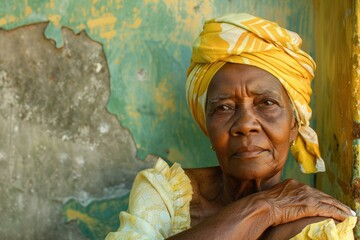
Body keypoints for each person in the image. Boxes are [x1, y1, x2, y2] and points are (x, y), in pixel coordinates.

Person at [105, 13, 357, 239]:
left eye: (267, 103)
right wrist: (264, 207)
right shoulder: (165, 193)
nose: (246, 125)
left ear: (294, 125)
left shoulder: (316, 227)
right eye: (224, 107)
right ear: (208, 128)